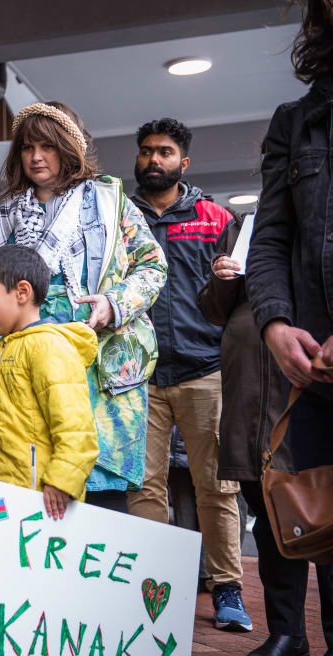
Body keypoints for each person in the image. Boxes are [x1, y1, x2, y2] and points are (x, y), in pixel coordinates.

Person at [0, 102, 167, 515]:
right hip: (17, 360)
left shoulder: (110, 199)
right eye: (28, 147)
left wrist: (114, 303)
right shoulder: (1, 212)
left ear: (69, 148)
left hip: (95, 356)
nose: (36, 157)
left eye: (47, 146)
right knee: (20, 478)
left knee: (96, 484)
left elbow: (153, 266)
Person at [125, 117, 250, 631]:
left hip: (205, 369)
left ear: (184, 162)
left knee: (217, 487)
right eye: (147, 152)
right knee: (144, 488)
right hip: (139, 373)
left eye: (166, 152)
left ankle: (227, 590)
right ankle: (154, 588)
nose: (155, 160)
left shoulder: (214, 217)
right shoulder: (119, 216)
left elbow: (239, 294)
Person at [200, 211, 333, 654]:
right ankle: (288, 635)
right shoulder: (246, 224)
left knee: (326, 514)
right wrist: (221, 278)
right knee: (271, 520)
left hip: (307, 388)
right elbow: (214, 309)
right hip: (250, 397)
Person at [247, 1, 333, 651]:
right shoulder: (295, 122)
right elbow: (271, 240)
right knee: (327, 538)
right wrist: (275, 322)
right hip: (317, 374)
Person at [0, 244, 99, 517]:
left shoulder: (48, 348)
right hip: (1, 501)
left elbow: (77, 431)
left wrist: (61, 482)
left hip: (45, 504)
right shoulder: (1, 352)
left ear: (22, 292)